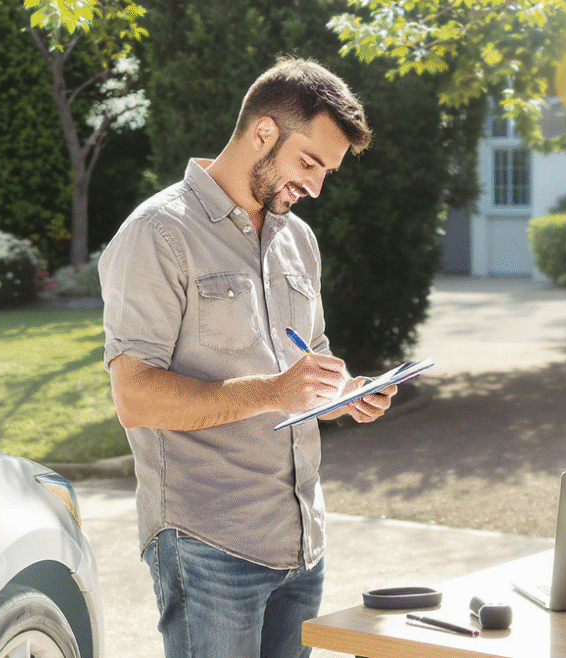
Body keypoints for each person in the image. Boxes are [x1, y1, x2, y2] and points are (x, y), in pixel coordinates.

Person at [98, 57, 395, 658]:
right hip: (208, 541)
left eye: (326, 172)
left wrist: (342, 394)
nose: (314, 185)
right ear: (263, 132)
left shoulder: (297, 239)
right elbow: (134, 397)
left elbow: (305, 364)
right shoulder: (159, 233)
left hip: (300, 541)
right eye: (308, 162)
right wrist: (274, 391)